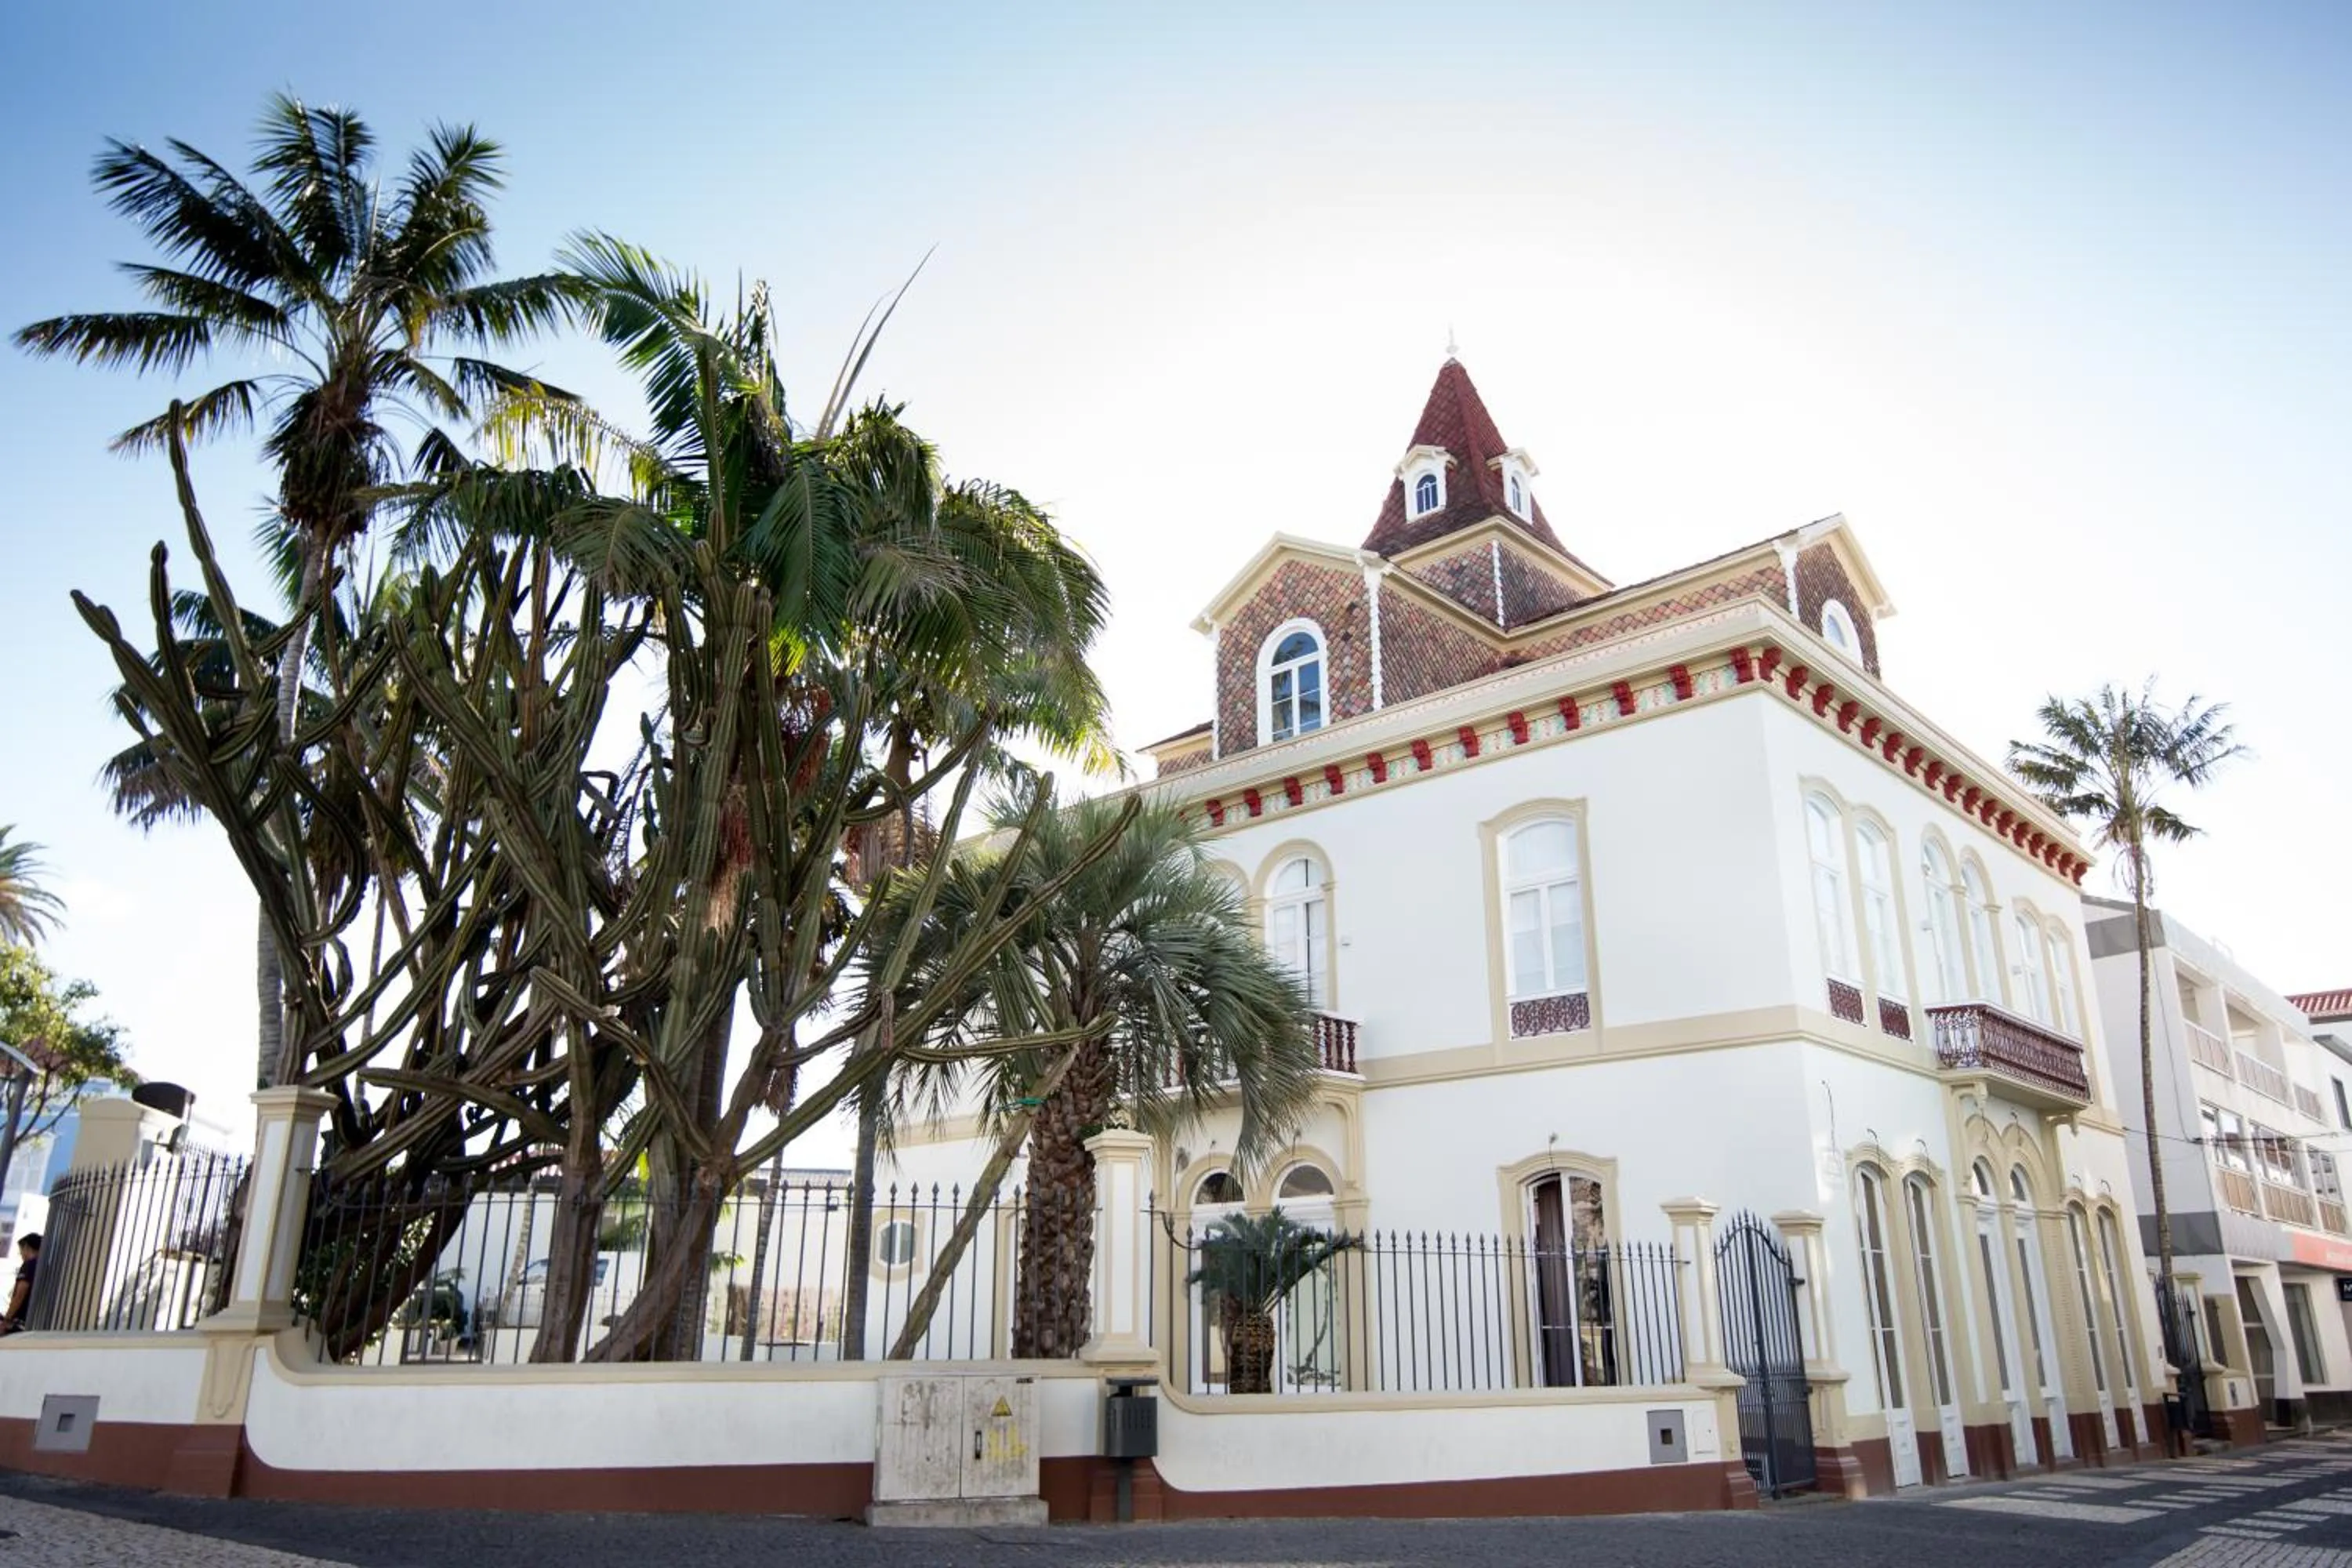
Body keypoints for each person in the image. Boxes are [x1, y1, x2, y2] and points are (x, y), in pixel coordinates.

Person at [1, 1233, 40, 1334]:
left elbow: (20, 1294)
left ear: (27, 1247)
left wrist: (6, 1320)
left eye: (21, 1251)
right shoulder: (42, 1265)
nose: (21, 1255)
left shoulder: (29, 1265)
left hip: (19, 1322)